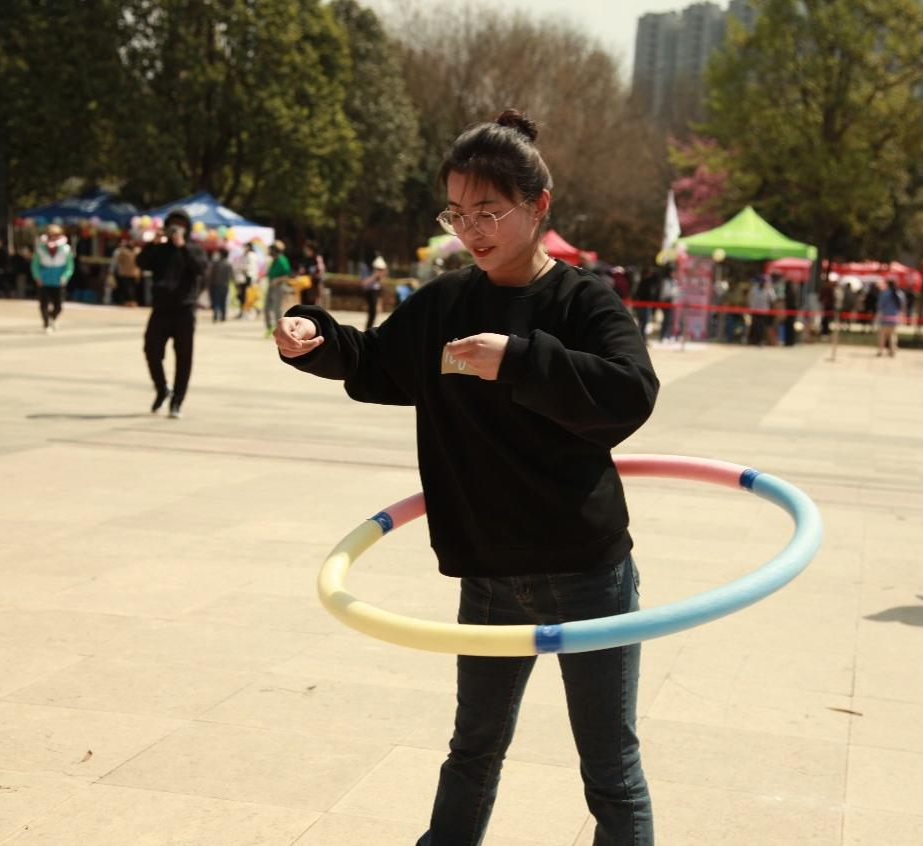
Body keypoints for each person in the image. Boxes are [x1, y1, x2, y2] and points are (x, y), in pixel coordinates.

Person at [273, 109, 658, 845]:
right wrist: (312, 335)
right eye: (456, 212)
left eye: (488, 210)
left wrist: (520, 359)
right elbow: (375, 362)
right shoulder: (447, 301)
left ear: (538, 206)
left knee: (609, 768)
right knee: (472, 751)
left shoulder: (582, 301)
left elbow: (629, 394)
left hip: (587, 570)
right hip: (487, 573)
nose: (470, 230)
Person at [138, 208, 207, 419]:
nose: (176, 228)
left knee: (184, 357)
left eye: (181, 225)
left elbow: (201, 268)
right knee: (151, 350)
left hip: (185, 310)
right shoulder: (159, 249)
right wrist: (152, 243)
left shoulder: (193, 248)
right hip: (161, 308)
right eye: (173, 224)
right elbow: (141, 263)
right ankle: (162, 389)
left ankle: (177, 400)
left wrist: (182, 246)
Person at [31, 224, 74, 332]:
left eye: (55, 235)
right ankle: (46, 324)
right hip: (44, 280)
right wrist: (37, 277)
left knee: (58, 306)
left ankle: (52, 318)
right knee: (43, 304)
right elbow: (35, 264)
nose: (53, 237)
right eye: (51, 235)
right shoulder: (40, 248)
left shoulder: (66, 249)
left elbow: (69, 266)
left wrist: (65, 276)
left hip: (58, 281)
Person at [264, 241, 293, 332]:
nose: (269, 252)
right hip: (271, 286)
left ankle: (280, 329)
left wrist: (277, 280)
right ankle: (269, 328)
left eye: (270, 250)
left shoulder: (282, 260)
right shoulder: (274, 260)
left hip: (279, 286)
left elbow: (287, 275)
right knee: (266, 307)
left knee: (277, 308)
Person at [875, 278, 904, 356]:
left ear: (887, 285)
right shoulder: (900, 294)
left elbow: (880, 305)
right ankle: (892, 350)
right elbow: (902, 306)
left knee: (882, 335)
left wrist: (878, 316)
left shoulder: (884, 293)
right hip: (895, 317)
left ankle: (880, 351)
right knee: (893, 335)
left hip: (885, 316)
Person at [113, 238, 141, 306]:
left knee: (130, 288)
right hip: (128, 273)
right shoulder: (128, 251)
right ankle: (129, 301)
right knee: (127, 288)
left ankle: (131, 301)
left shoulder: (135, 251)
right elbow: (119, 260)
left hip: (130, 273)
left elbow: (120, 260)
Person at [207, 249, 233, 323]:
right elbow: (232, 276)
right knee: (223, 301)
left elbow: (211, 275)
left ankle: (216, 316)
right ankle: (223, 316)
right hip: (225, 285)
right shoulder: (228, 264)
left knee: (216, 301)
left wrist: (209, 284)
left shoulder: (216, 264)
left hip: (215, 285)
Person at [238, 241, 261, 320]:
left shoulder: (251, 255)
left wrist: (242, 267)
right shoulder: (245, 255)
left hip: (250, 277)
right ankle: (244, 312)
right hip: (245, 277)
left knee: (249, 296)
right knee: (243, 296)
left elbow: (251, 267)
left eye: (245, 247)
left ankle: (250, 312)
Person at [362, 253, 386, 330]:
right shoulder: (365, 267)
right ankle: (368, 329)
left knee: (374, 312)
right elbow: (365, 283)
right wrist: (375, 275)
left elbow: (380, 282)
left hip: (376, 291)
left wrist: (381, 273)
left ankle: (369, 328)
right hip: (370, 291)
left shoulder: (377, 269)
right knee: (372, 312)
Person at [747, 277, 773, 346]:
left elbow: (772, 300)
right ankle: (753, 340)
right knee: (755, 326)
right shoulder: (754, 289)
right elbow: (749, 299)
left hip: (764, 311)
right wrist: (750, 308)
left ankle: (760, 341)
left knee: (762, 327)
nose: (763, 283)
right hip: (755, 311)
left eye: (764, 282)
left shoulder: (769, 290)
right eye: (761, 282)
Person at [298, 240, 325, 306]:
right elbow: (302, 271)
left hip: (314, 286)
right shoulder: (305, 259)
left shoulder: (317, 259)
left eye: (307, 249)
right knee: (304, 304)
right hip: (305, 286)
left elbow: (320, 271)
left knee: (313, 305)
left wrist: (312, 276)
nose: (305, 251)